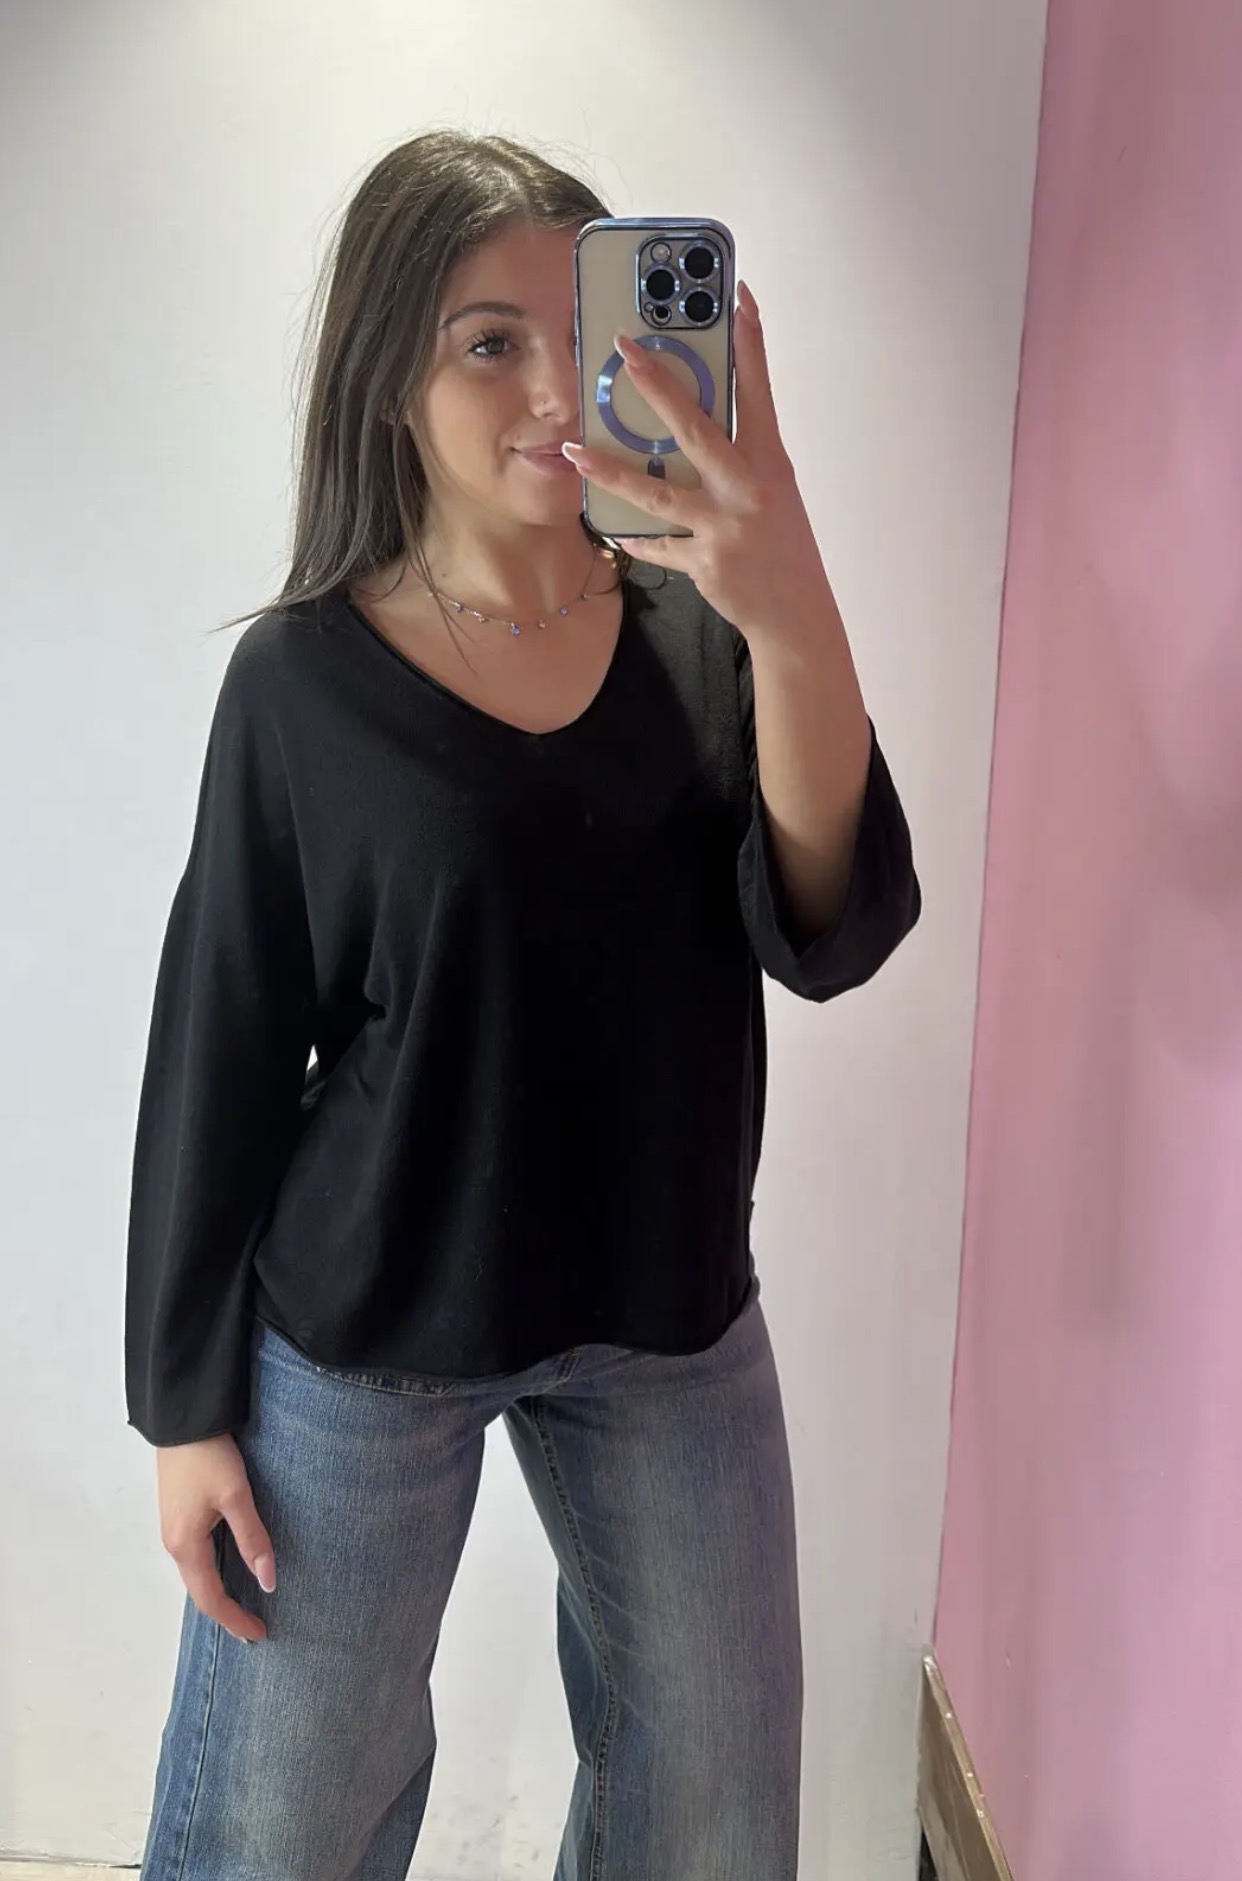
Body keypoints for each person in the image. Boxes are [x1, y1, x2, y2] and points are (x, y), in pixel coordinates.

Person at [125, 130, 921, 1881]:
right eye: (490, 342)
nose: (558, 390)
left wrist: (784, 590)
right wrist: (184, 1405)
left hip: (663, 1307)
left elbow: (830, 922)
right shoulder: (301, 679)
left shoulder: (701, 630)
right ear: (388, 379)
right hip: (368, 1317)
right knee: (280, 1826)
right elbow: (223, 1040)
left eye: (583, 328)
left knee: (714, 1815)